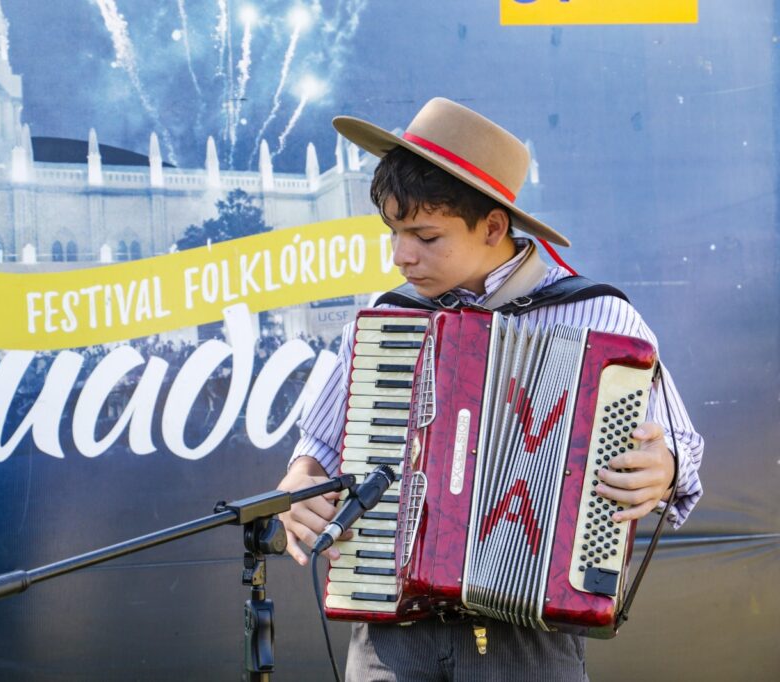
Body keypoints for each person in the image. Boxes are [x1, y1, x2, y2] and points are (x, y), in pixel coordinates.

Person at [276, 98, 704, 681]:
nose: (402, 257)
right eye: (395, 233)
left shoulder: (599, 317)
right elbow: (317, 448)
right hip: (392, 634)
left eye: (425, 236)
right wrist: (301, 483)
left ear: (494, 227)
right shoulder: (386, 320)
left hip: (529, 641)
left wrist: (664, 467)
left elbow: (678, 449)